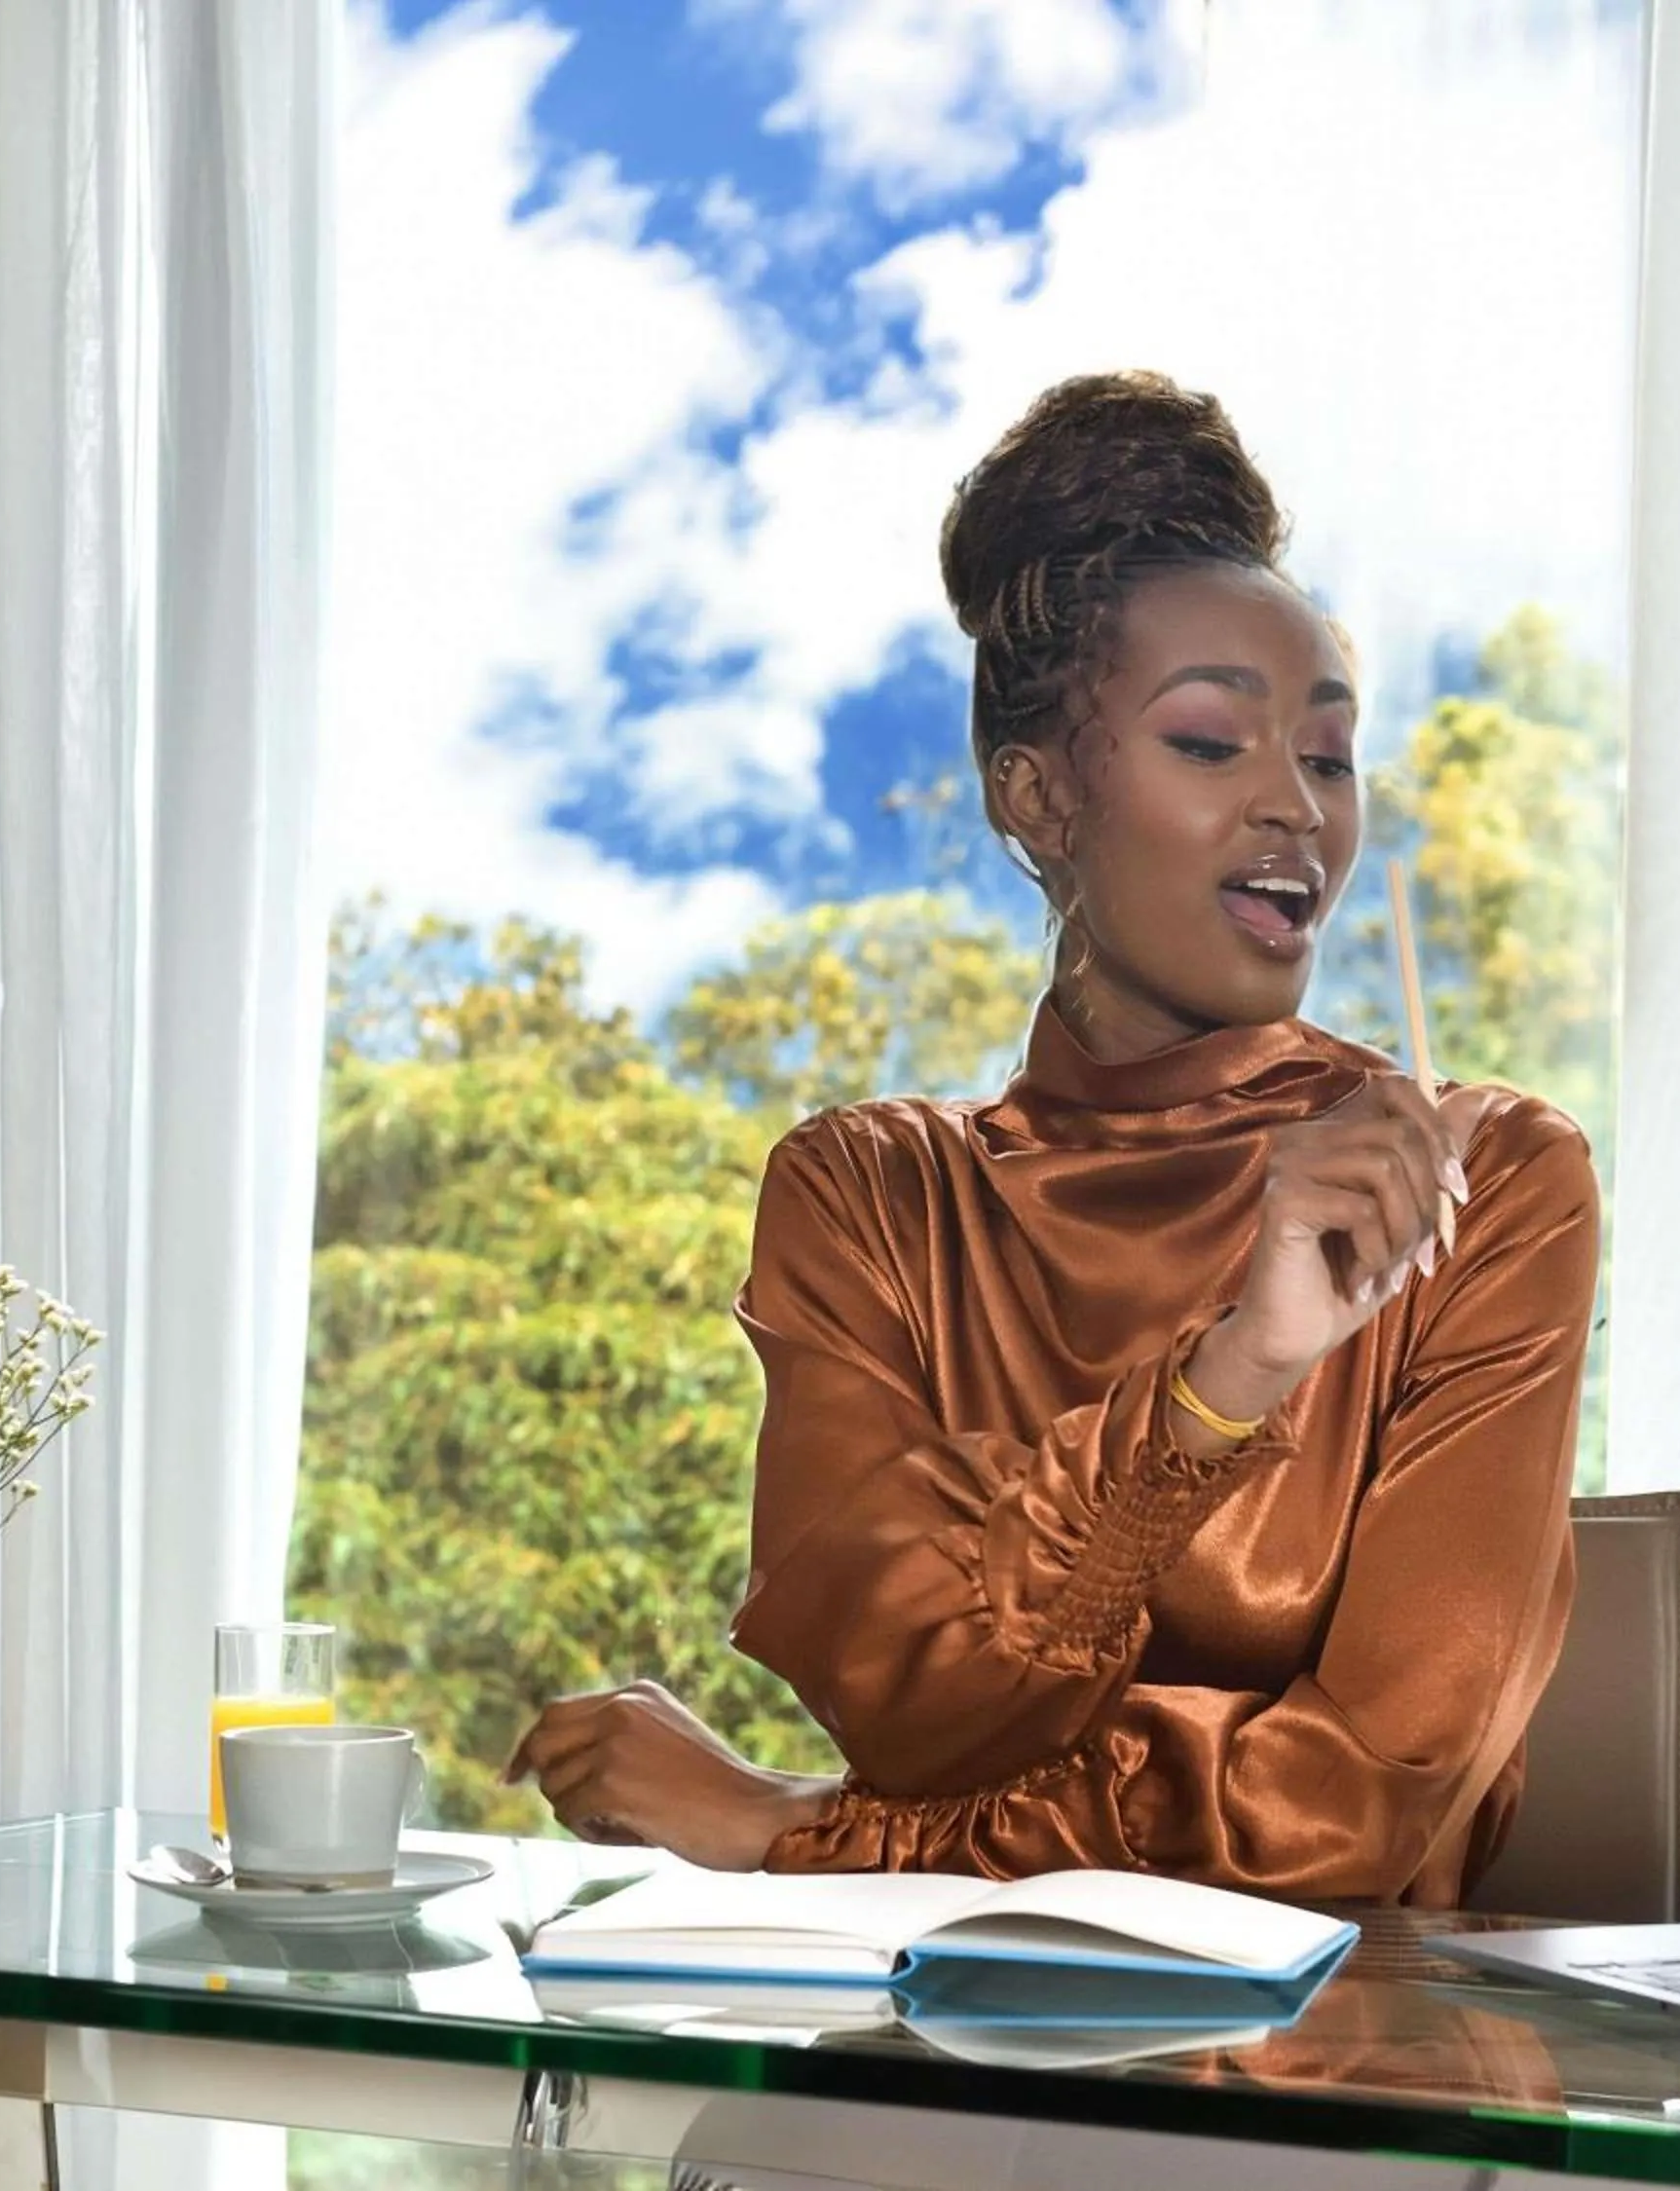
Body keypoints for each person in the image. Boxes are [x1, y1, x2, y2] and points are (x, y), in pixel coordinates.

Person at [504, 370, 1600, 1905]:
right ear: (1037, 796)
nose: (1298, 807)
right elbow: (915, 1696)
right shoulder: (871, 1192)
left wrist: (796, 1830)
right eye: (1215, 744)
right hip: (913, 2077)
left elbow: (1354, 1810)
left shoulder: (1488, 1181)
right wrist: (1230, 1379)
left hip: (1326, 2104)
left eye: (1333, 757)